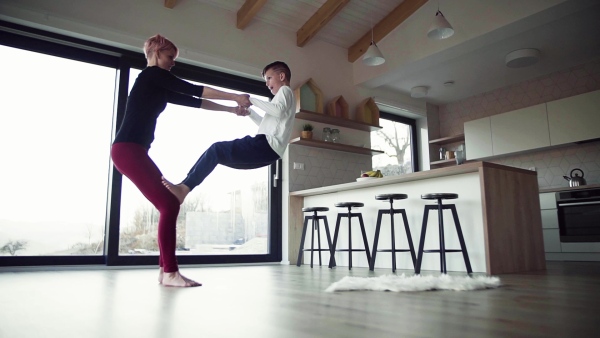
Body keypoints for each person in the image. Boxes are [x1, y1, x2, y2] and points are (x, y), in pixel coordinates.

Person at [111, 34, 251, 288]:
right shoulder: (151, 76)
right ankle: (170, 273)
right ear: (154, 53)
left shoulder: (158, 85)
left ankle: (166, 272)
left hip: (132, 151)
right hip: (127, 150)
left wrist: (231, 110)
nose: (173, 63)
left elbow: (194, 101)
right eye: (170, 57)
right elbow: (194, 89)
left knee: (168, 203)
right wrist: (235, 97)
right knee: (169, 204)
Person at [161, 61, 295, 206]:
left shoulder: (285, 91)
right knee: (217, 154)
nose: (267, 84)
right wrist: (249, 112)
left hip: (265, 145)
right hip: (270, 153)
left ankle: (183, 188)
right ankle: (183, 188)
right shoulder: (281, 100)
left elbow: (278, 111)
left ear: (282, 76)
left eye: (269, 78)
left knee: (216, 150)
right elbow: (266, 125)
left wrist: (250, 100)